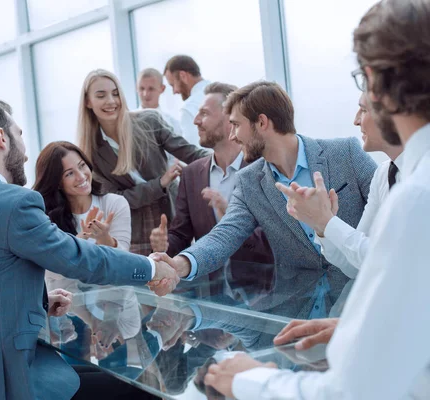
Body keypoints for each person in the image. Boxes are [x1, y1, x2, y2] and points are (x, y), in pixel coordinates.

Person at [204, 0, 430, 398]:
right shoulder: (252, 180)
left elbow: (352, 391)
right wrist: (358, 326)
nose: (233, 135)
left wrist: (246, 379)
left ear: (375, 79)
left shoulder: (411, 195)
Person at [0, 95, 179, 400]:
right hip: (11, 380)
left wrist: (34, 301)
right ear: (1, 138)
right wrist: (151, 267)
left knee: (104, 374)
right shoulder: (11, 203)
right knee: (142, 388)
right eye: (19, 135)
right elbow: (78, 258)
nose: (24, 151)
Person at [151, 81, 377, 320]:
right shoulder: (249, 181)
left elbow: (392, 209)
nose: (232, 135)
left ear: (261, 122)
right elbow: (224, 235)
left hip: (368, 303)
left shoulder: (346, 153)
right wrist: (180, 264)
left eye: (236, 125)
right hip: (299, 315)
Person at [149, 82, 273, 299]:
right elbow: (181, 233)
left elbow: (275, 242)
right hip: (211, 298)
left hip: (262, 296)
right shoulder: (192, 174)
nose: (196, 121)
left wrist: (232, 220)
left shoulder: (264, 171)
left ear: (229, 120)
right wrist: (166, 244)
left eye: (204, 114)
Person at [77, 69, 209, 256]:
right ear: (88, 102)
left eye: (115, 94)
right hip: (135, 228)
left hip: (172, 215)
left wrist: (228, 157)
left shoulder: (149, 121)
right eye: (101, 95)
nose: (111, 101)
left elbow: (189, 152)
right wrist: (160, 183)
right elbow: (117, 198)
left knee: (182, 275)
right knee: (144, 281)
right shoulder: (89, 152)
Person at [34, 141, 141, 348]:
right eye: (69, 173)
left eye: (82, 166)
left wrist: (104, 239)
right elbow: (52, 274)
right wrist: (81, 240)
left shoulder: (114, 204)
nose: (82, 176)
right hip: (64, 307)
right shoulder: (45, 217)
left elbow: (122, 266)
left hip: (118, 298)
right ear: (56, 182)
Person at [285, 92, 403, 279]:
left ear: (394, 112)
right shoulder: (382, 174)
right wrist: (322, 228)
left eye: (363, 110)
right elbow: (356, 266)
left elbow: (386, 260)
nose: (356, 120)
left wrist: (326, 220)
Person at [163, 55, 211, 146]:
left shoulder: (189, 108)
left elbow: (194, 154)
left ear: (183, 76)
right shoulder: (224, 93)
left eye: (173, 85)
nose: (174, 91)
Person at [136, 67, 182, 135]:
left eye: (151, 89)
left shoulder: (173, 125)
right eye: (142, 89)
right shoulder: (126, 121)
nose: (145, 94)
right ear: (136, 88)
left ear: (162, 89)